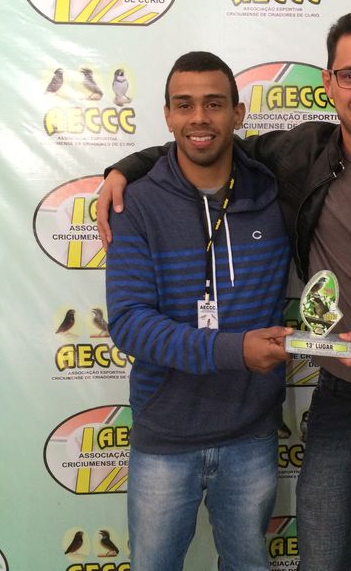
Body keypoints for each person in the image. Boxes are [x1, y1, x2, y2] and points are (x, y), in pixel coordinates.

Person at [101, 10, 351, 571]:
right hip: (341, 400)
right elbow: (205, 143)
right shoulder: (300, 156)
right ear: (329, 82)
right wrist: (124, 168)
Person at [104, 51, 293, 571]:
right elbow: (129, 323)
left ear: (238, 113)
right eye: (184, 105)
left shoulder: (275, 192)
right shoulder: (137, 204)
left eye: (214, 103)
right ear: (167, 116)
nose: (199, 118)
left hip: (251, 433)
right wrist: (234, 350)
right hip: (165, 436)